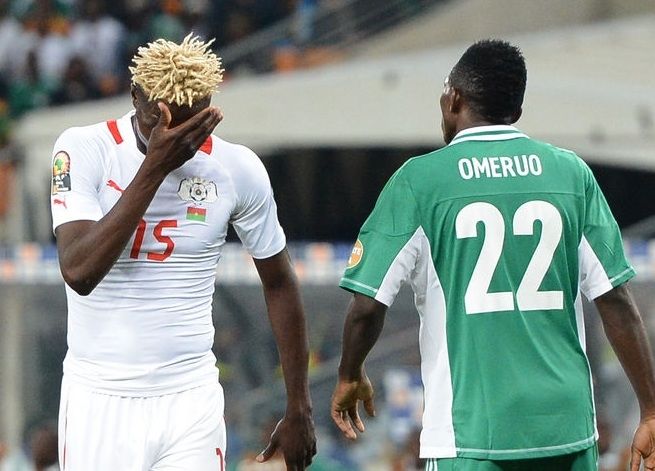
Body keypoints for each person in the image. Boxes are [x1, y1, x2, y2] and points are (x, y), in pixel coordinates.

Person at [330, 39, 655, 471]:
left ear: (453, 99)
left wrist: (349, 373)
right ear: (516, 111)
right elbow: (615, 299)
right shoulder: (571, 174)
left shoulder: (419, 182)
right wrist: (650, 410)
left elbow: (368, 306)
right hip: (567, 431)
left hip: (471, 435)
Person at [50, 33, 315, 470]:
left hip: (190, 397)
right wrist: (155, 168)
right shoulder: (84, 149)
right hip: (100, 396)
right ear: (135, 97)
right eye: (165, 121)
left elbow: (280, 282)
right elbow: (78, 271)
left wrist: (298, 405)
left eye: (194, 124)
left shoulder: (237, 168)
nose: (181, 138)